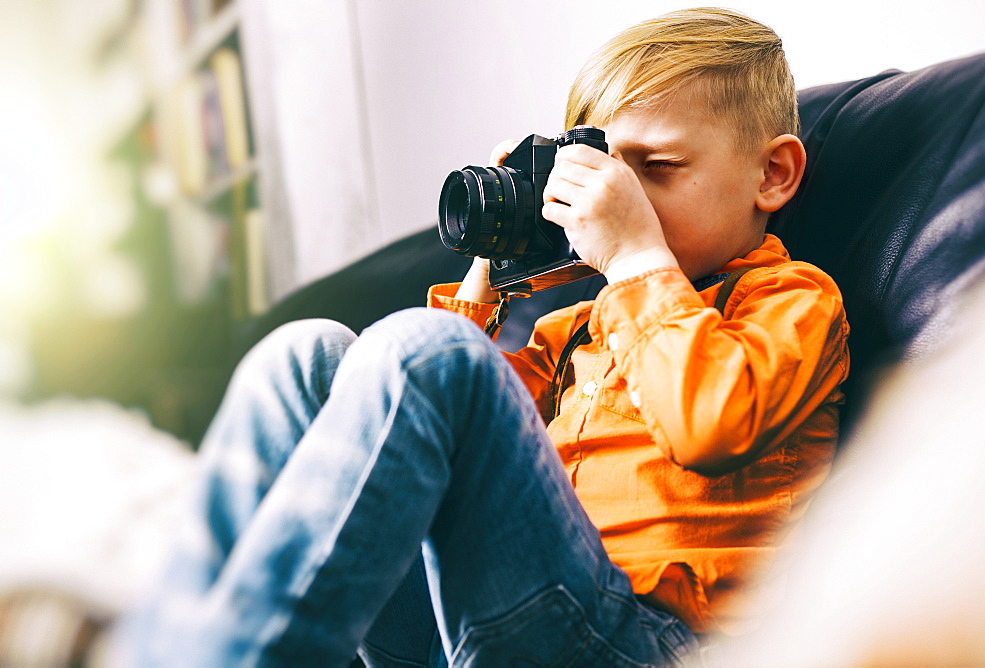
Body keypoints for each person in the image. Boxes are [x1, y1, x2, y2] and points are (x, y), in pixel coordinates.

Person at [117, 7, 849, 666]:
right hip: (489, 613)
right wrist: (489, 274)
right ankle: (177, 648)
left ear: (773, 175)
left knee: (437, 357)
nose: (614, 199)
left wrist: (634, 259)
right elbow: (442, 433)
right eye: (601, 173)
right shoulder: (576, 329)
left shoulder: (792, 301)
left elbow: (711, 425)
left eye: (655, 169)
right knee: (306, 355)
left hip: (652, 644)